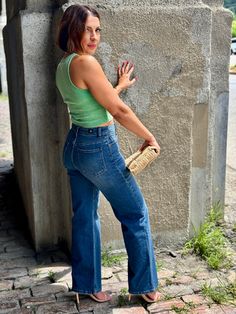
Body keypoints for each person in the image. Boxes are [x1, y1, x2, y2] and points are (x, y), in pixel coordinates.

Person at [55, 4, 161, 305]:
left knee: (85, 217)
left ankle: (87, 285)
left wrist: (119, 85)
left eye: (98, 30)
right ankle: (144, 285)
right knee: (135, 212)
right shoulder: (86, 63)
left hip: (75, 147)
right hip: (98, 147)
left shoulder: (65, 65)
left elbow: (95, 100)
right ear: (72, 29)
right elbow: (117, 110)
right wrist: (148, 136)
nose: (94, 36)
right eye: (87, 29)